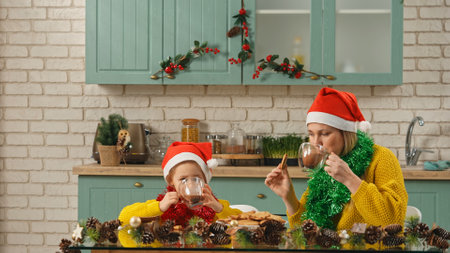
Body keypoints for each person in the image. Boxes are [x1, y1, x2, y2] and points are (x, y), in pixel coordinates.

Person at [265, 87, 408, 231]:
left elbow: (392, 221)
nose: (316, 143)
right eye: (311, 134)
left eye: (325, 134)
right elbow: (305, 232)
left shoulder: (381, 158)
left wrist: (350, 179)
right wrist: (288, 197)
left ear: (345, 134)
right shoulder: (324, 166)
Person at [118, 142, 242, 247]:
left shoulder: (215, 206)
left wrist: (219, 208)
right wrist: (159, 207)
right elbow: (123, 218)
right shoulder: (163, 205)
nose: (190, 184)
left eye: (196, 178)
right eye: (183, 179)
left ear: (205, 180)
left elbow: (242, 225)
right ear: (171, 181)